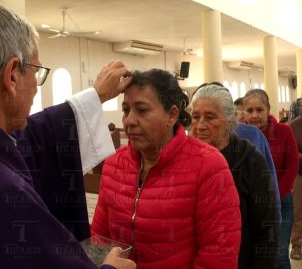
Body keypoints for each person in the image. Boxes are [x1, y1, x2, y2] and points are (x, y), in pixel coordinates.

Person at [0, 1, 136, 269]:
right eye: (37, 73)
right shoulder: (6, 192)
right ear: (11, 76)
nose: (36, 88)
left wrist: (97, 96)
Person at [92, 69, 241, 269]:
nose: (129, 120)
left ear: (171, 115)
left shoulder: (209, 166)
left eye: (142, 110)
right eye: (126, 110)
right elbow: (100, 240)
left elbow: (218, 254)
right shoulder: (114, 165)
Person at [191, 84, 280, 269]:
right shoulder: (185, 160)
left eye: (210, 118)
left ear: (230, 121)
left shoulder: (251, 162)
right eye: (195, 117)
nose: (200, 126)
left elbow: (266, 229)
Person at [244, 88, 299, 269]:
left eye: (259, 110)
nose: (254, 116)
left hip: (281, 202)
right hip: (251, 204)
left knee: (279, 255)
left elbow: (291, 168)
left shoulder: (283, 131)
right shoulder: (240, 135)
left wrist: (274, 196)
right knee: (259, 255)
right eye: (249, 110)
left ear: (268, 110)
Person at [289, 116, 302, 260]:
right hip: (300, 174)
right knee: (298, 212)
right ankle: (297, 245)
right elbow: (292, 151)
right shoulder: (294, 126)